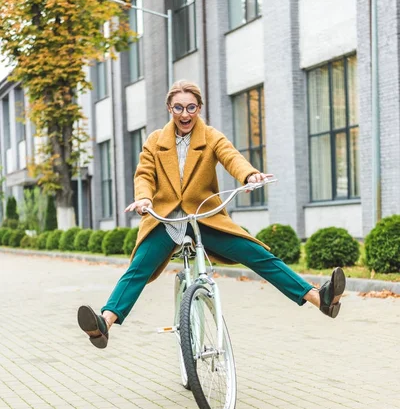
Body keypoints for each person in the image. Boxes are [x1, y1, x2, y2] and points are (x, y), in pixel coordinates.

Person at [77, 80, 346, 349]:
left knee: (258, 254)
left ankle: (319, 298)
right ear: (169, 108)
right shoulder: (155, 140)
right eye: (179, 107)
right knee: (137, 269)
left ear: (199, 108)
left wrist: (250, 174)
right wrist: (144, 198)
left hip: (203, 217)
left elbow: (231, 157)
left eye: (191, 107)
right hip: (166, 219)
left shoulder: (211, 137)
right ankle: (104, 324)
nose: (185, 114)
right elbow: (145, 174)